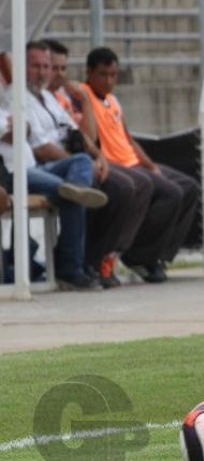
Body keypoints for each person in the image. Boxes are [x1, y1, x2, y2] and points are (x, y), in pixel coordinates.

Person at [83, 46, 200, 284]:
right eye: (103, 75)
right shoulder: (83, 94)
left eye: (113, 75)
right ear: (89, 73)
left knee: (189, 187)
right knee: (170, 193)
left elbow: (127, 137)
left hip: (133, 161)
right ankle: (136, 255)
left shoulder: (113, 101)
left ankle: (157, 254)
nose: (109, 81)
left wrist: (150, 164)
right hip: (116, 164)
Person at [45, 39, 150, 288]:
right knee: (112, 187)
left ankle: (104, 258)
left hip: (79, 161)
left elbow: (84, 137)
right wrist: (87, 158)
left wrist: (97, 156)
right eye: (52, 68)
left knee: (140, 184)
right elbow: (43, 147)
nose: (58, 75)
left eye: (62, 69)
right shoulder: (38, 98)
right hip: (56, 166)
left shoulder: (60, 98)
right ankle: (83, 262)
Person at [22, 41, 110, 290]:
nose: (42, 72)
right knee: (75, 191)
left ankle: (73, 266)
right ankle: (71, 268)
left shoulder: (49, 98)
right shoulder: (19, 99)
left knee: (82, 168)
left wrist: (98, 157)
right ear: (22, 67)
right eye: (35, 66)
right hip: (34, 168)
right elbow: (42, 149)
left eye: (45, 66)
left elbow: (77, 134)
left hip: (59, 166)